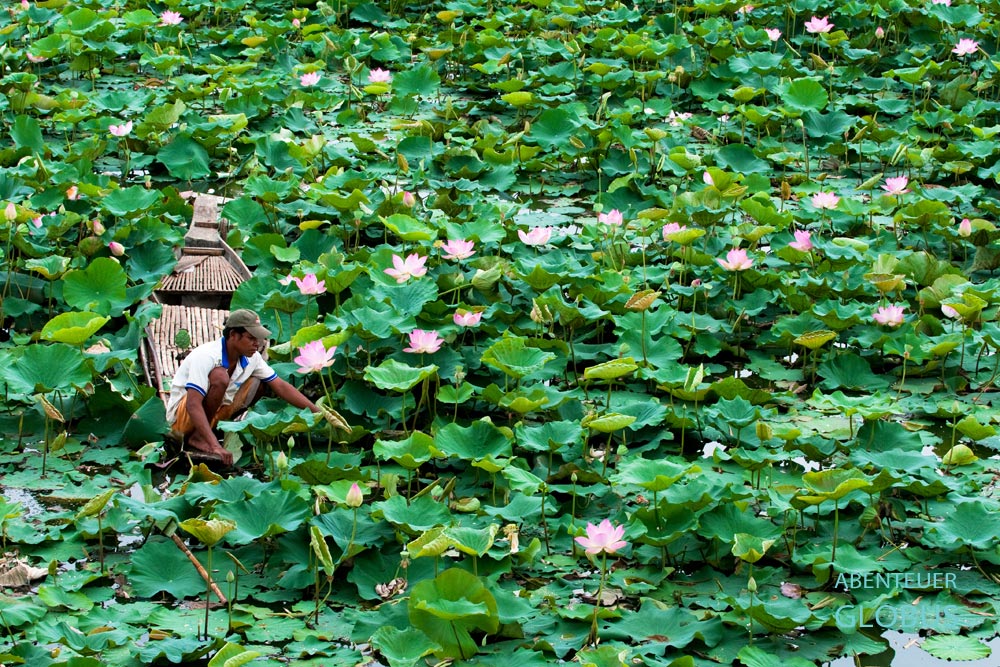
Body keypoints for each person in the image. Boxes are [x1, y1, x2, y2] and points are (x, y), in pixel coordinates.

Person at [165, 309, 347, 466]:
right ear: (233, 335)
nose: (257, 344)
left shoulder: (252, 358)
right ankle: (199, 437)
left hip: (215, 412)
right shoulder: (206, 356)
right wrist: (214, 446)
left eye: (258, 339)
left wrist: (319, 413)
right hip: (182, 419)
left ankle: (211, 431)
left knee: (259, 383)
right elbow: (193, 404)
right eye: (251, 338)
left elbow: (281, 387)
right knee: (220, 377)